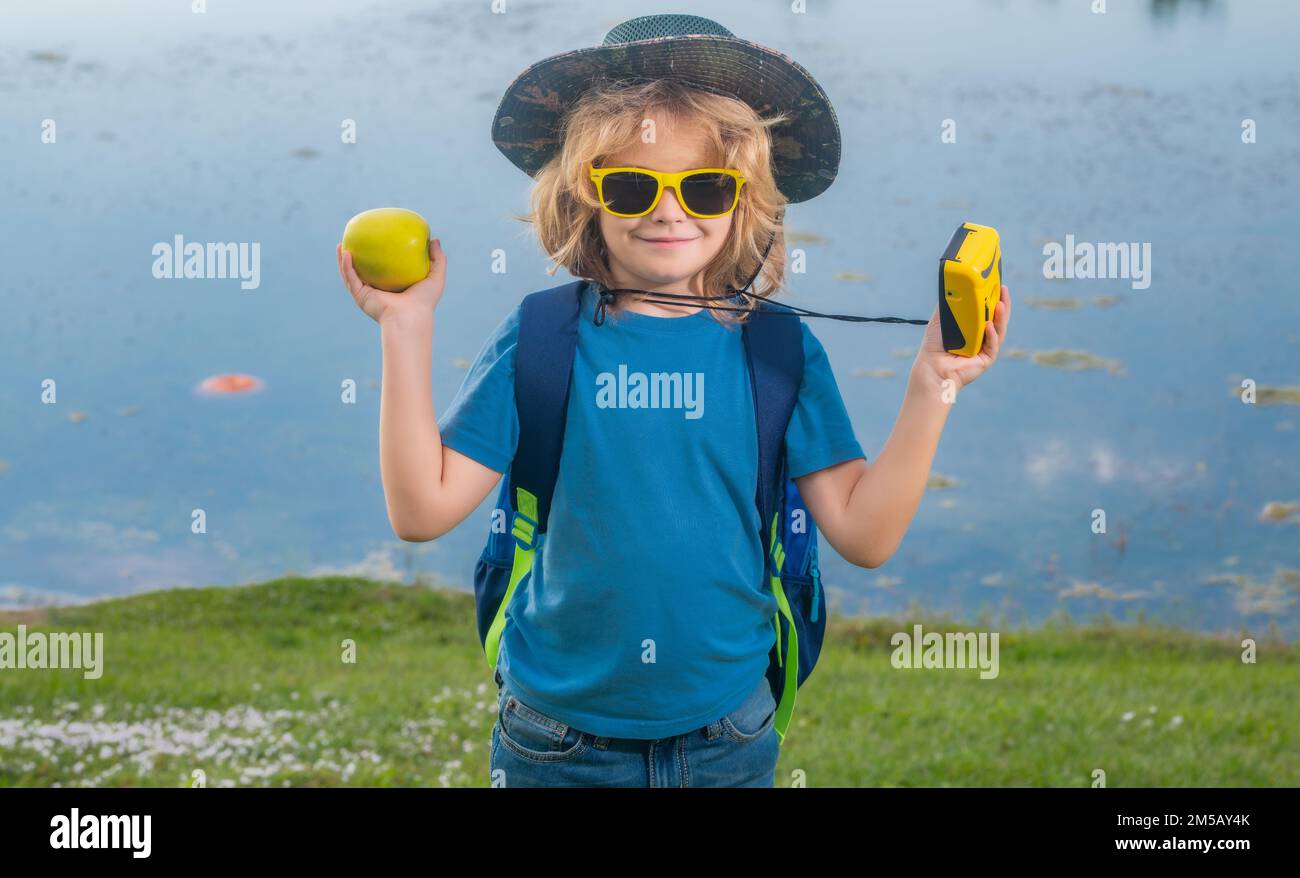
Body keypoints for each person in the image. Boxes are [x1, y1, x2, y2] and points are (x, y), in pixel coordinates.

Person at [336, 13, 1011, 787]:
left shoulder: (779, 353)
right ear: (584, 198)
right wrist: (406, 326)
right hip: (557, 741)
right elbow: (420, 513)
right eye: (630, 185)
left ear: (744, 201)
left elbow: (864, 534)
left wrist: (936, 384)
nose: (668, 209)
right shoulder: (543, 341)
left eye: (704, 186)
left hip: (727, 734)